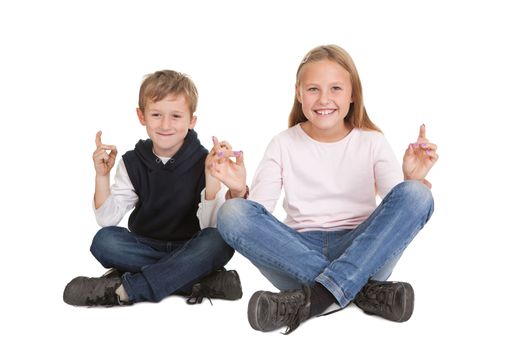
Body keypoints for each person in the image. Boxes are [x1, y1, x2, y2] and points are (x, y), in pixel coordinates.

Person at [208, 45, 438, 333]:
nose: (324, 99)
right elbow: (257, 216)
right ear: (299, 93)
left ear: (353, 94)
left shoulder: (372, 141)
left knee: (417, 194)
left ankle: (315, 298)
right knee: (231, 212)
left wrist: (412, 178)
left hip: (363, 249)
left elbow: (394, 218)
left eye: (336, 89)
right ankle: (361, 292)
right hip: (294, 253)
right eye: (314, 89)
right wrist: (239, 189)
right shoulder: (283, 143)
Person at [63, 70, 242, 307]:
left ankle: (126, 289)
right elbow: (107, 219)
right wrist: (102, 177)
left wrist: (212, 181)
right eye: (156, 114)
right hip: (144, 244)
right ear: (142, 116)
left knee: (218, 241)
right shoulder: (132, 162)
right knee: (104, 241)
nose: (166, 125)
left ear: (192, 121)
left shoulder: (204, 160)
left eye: (176, 116)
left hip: (191, 245)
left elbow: (209, 227)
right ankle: (199, 280)